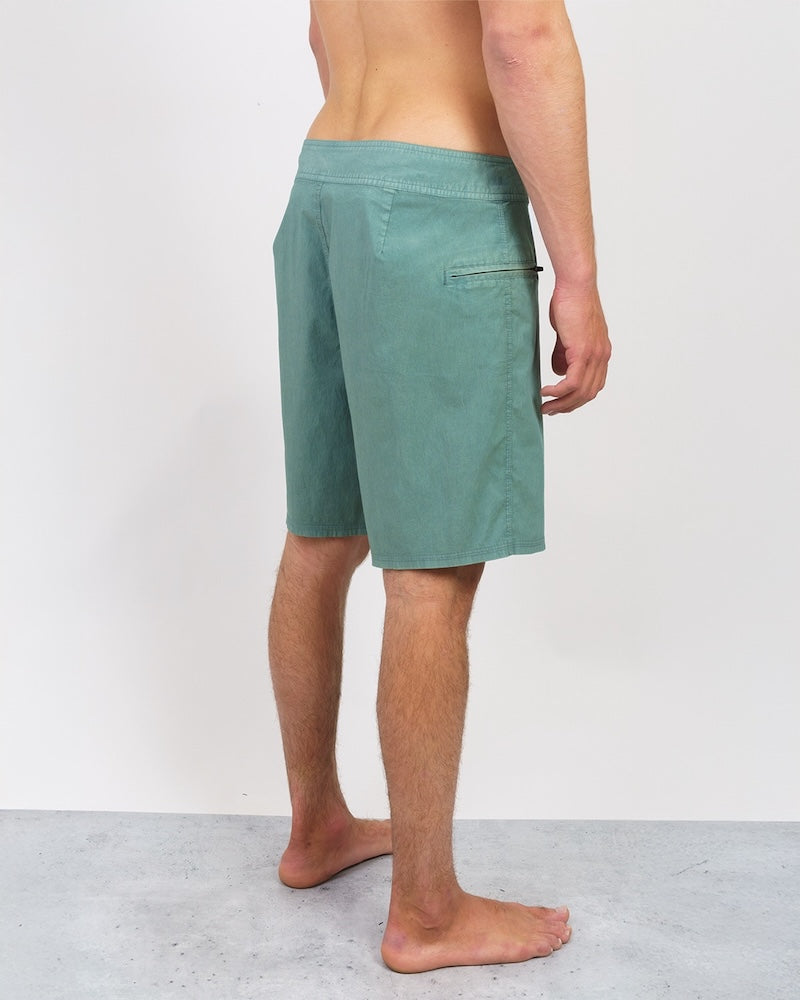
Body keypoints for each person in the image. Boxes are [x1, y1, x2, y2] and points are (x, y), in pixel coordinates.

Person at [268, 0, 611, 974]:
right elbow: (524, 35)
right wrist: (577, 275)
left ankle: (317, 827)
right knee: (431, 566)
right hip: (435, 203)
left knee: (322, 534)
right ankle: (425, 911)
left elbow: (320, 33)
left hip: (327, 179)